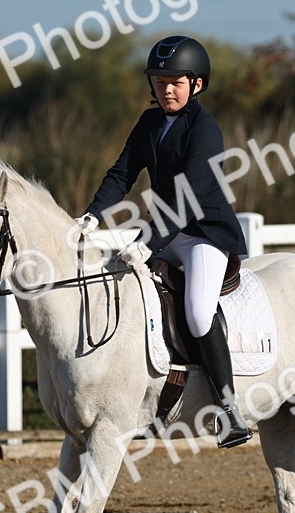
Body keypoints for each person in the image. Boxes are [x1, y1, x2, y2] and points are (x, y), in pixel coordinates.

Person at [72, 35, 251, 449]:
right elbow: (123, 173)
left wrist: (148, 240)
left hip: (203, 234)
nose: (166, 89)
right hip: (164, 232)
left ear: (197, 84)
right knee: (118, 285)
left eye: (175, 82)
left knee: (198, 311)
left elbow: (188, 196)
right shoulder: (149, 123)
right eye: (159, 81)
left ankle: (228, 410)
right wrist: (93, 213)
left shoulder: (206, 130)